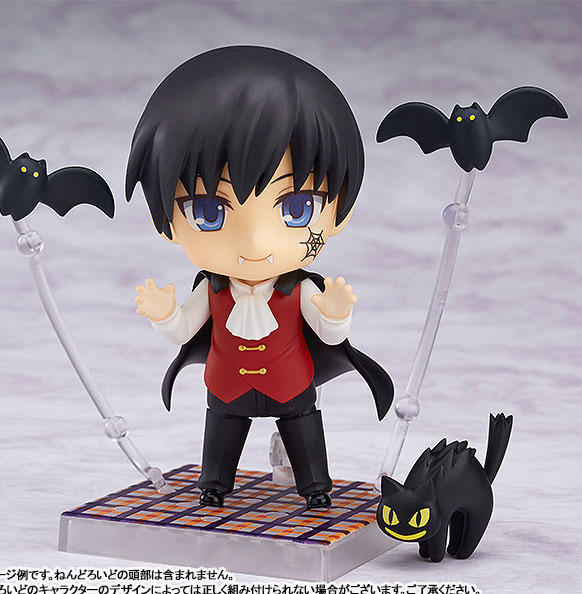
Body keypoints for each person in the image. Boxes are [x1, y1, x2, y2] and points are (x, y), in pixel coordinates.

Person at [127, 46, 393, 510]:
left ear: (340, 211)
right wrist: (164, 314)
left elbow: (330, 334)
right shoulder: (211, 290)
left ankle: (315, 486)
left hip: (291, 384)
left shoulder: (301, 290)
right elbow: (183, 331)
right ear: (164, 222)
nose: (254, 243)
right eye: (208, 212)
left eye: (297, 207)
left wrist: (335, 315)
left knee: (303, 429)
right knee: (221, 432)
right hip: (226, 385)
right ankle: (214, 484)